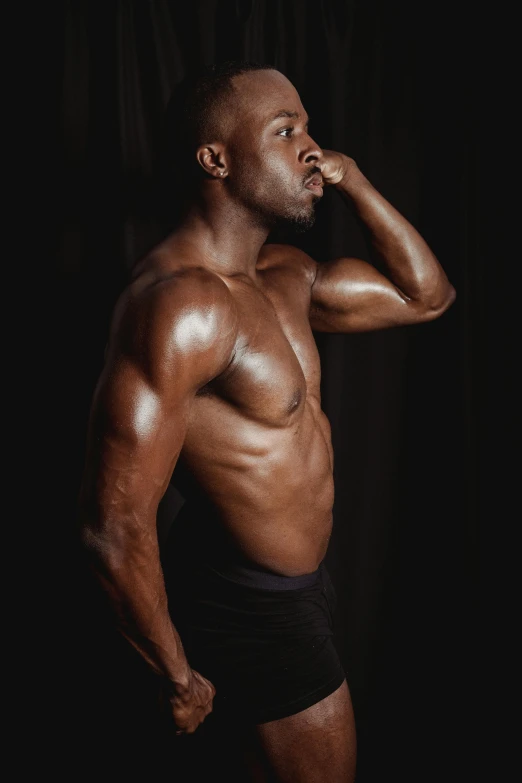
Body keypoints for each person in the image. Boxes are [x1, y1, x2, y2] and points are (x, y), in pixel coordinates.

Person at [77, 60, 456, 782]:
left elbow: (427, 295)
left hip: (295, 587)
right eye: (286, 131)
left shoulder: (286, 277)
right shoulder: (181, 306)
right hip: (251, 606)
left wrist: (353, 179)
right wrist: (176, 674)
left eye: (310, 128)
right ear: (215, 158)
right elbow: (113, 521)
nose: (310, 146)